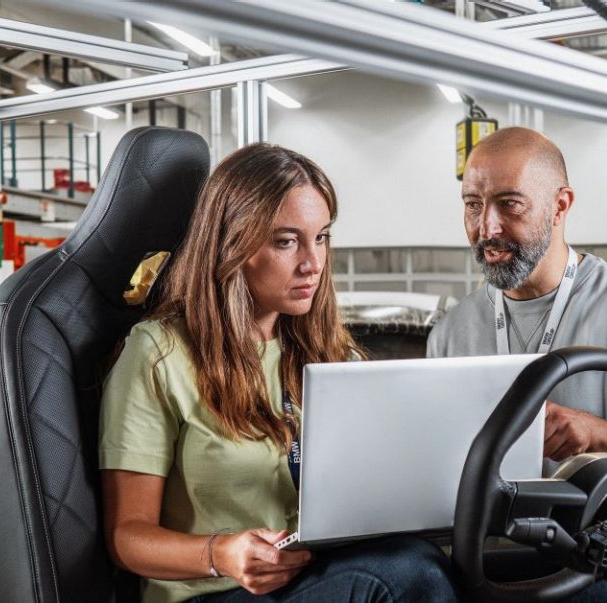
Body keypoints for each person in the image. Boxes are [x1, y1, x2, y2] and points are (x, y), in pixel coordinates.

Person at [100, 144, 458, 603]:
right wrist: (222, 553)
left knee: (422, 557)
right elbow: (126, 537)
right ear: (232, 243)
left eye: (321, 238)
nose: (313, 263)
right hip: (214, 590)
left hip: (311, 576)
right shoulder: (159, 354)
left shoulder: (333, 354)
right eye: (286, 242)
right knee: (402, 576)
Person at [428, 127, 607, 500]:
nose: (487, 228)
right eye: (473, 204)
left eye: (509, 203)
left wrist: (596, 435)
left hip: (598, 536)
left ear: (560, 205)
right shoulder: (449, 334)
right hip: (483, 537)